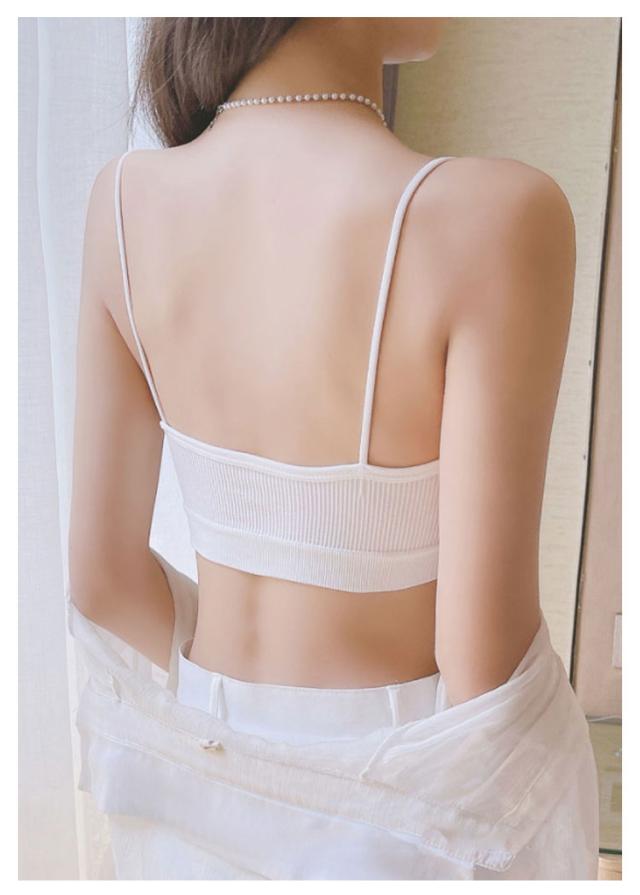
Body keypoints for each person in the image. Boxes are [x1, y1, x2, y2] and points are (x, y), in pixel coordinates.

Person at [67, 17, 599, 880]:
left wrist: (241, 714)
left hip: (188, 804)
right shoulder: (497, 216)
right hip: (390, 821)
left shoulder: (123, 201)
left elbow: (101, 577)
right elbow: (483, 668)